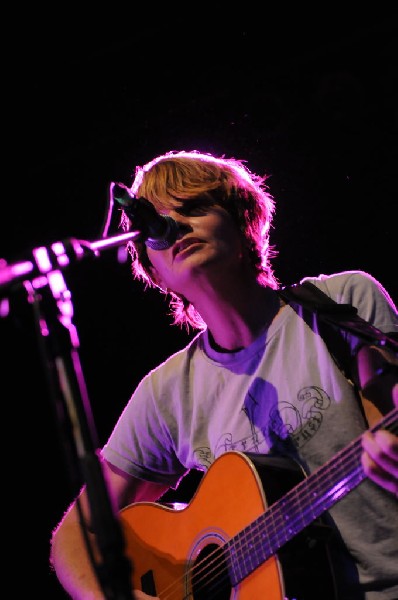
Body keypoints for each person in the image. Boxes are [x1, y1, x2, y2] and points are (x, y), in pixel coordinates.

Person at [50, 150, 398, 600]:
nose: (175, 226)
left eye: (193, 208)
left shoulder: (340, 304)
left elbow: (388, 416)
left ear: (241, 221)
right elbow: (74, 540)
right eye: (157, 224)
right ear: (153, 269)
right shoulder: (167, 392)